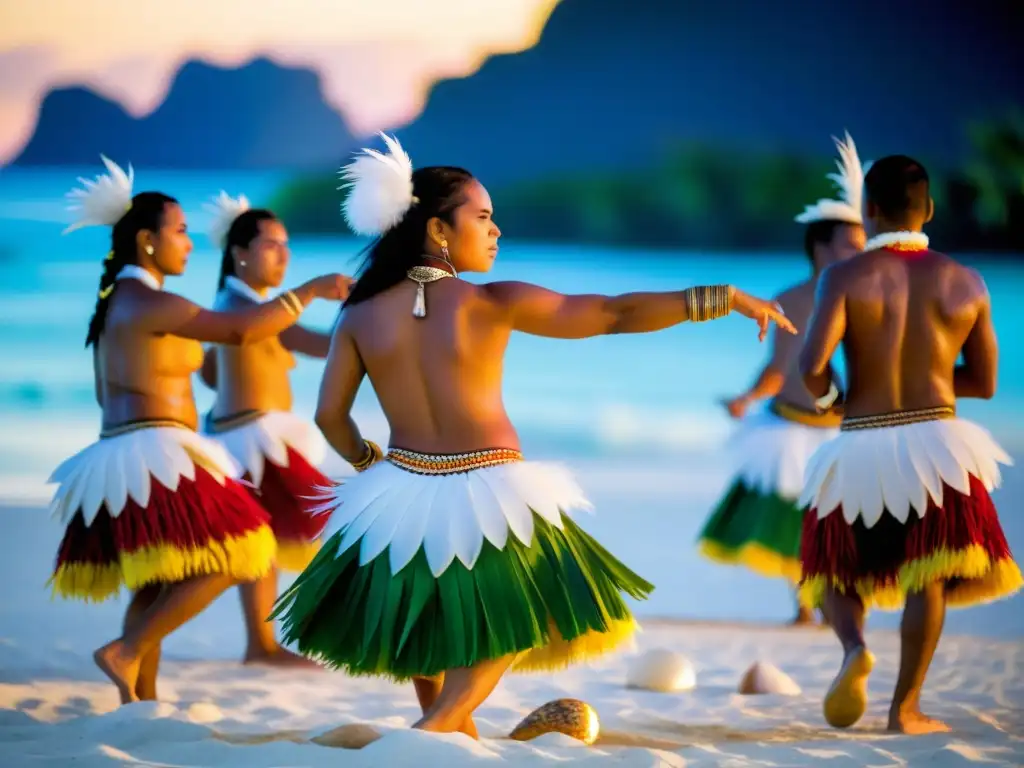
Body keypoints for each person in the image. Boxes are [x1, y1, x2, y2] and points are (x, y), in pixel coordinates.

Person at [270, 133, 796, 738]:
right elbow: (612, 314)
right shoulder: (491, 301)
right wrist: (722, 298)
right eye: (484, 217)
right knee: (525, 608)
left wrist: (370, 464)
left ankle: (443, 725)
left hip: (401, 487)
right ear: (439, 232)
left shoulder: (359, 314)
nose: (497, 231)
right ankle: (442, 724)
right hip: (492, 485)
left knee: (427, 618)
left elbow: (330, 417)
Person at [47, 155, 350, 704]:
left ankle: (139, 698)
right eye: (180, 232)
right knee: (244, 552)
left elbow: (108, 391)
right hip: (156, 447)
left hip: (126, 447)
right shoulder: (150, 300)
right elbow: (236, 333)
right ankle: (127, 649)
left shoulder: (121, 301)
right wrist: (311, 290)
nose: (189, 244)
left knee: (158, 577)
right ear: (146, 241)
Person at [797, 154, 1022, 734]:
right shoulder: (966, 281)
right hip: (940, 446)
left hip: (861, 442)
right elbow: (987, 382)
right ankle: (906, 708)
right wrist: (937, 388)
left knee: (832, 570)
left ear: (867, 211)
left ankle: (852, 649)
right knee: (931, 575)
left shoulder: (843, 277)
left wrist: (833, 403)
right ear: (929, 210)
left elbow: (812, 364)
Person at [697, 132, 866, 625]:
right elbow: (780, 368)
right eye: (848, 245)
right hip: (792, 426)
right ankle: (804, 604)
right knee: (801, 522)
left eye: (863, 245)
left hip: (840, 425)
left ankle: (837, 603)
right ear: (819, 247)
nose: (857, 254)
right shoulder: (791, 300)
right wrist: (747, 398)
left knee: (843, 523)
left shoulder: (867, 297)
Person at [197, 192, 334, 668]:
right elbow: (239, 337)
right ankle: (264, 644)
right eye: (272, 244)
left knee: (266, 543)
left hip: (254, 437)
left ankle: (262, 645)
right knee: (318, 526)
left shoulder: (258, 309)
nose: (284, 255)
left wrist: (371, 321)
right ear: (240, 253)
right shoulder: (237, 305)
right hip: (250, 441)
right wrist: (313, 289)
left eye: (287, 245)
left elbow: (322, 343)